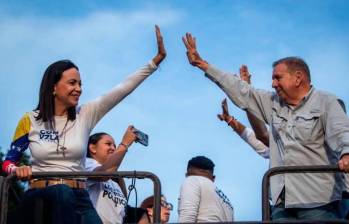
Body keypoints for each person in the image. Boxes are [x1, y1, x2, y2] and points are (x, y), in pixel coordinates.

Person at [2, 25, 166, 224]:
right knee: (61, 193)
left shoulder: (86, 114)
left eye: (80, 84)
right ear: (53, 87)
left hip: (79, 197)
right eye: (72, 83)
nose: (79, 89)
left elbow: (122, 89)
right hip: (41, 194)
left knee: (72, 200)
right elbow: (8, 162)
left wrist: (154, 62)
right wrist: (17, 170)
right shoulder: (30, 120)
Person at [182, 33, 349, 220]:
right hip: (281, 203)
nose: (273, 84)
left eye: (278, 78)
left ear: (298, 77)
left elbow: (342, 131)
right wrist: (203, 64)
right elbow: (242, 92)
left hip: (319, 202)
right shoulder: (273, 103)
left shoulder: (327, 102)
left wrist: (347, 153)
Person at [85, 127, 137, 224]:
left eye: (115, 145)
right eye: (108, 144)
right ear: (92, 148)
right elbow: (103, 174)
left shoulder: (115, 181)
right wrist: (124, 144)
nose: (113, 148)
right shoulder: (86, 163)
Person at [178, 156, 234, 222]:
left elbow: (186, 219)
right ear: (213, 178)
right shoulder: (227, 202)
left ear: (186, 175)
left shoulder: (192, 180)